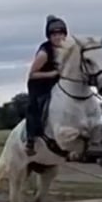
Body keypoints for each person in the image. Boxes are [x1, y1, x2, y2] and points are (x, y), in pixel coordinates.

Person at [24, 15, 68, 155]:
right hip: (39, 83)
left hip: (56, 82)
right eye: (54, 34)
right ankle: (30, 140)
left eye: (61, 34)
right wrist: (53, 73)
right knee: (36, 106)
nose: (58, 37)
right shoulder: (44, 53)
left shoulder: (68, 47)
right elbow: (32, 74)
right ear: (49, 37)